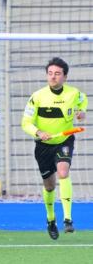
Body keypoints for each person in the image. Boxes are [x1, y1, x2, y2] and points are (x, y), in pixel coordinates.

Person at [21, 57, 87, 240]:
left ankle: (68, 219)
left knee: (63, 172)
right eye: (50, 73)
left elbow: (83, 103)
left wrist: (82, 113)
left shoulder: (74, 94)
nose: (53, 77)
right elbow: (25, 123)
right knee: (49, 185)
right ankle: (51, 219)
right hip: (43, 146)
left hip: (64, 140)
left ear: (65, 77)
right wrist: (38, 132)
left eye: (57, 74)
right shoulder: (37, 97)